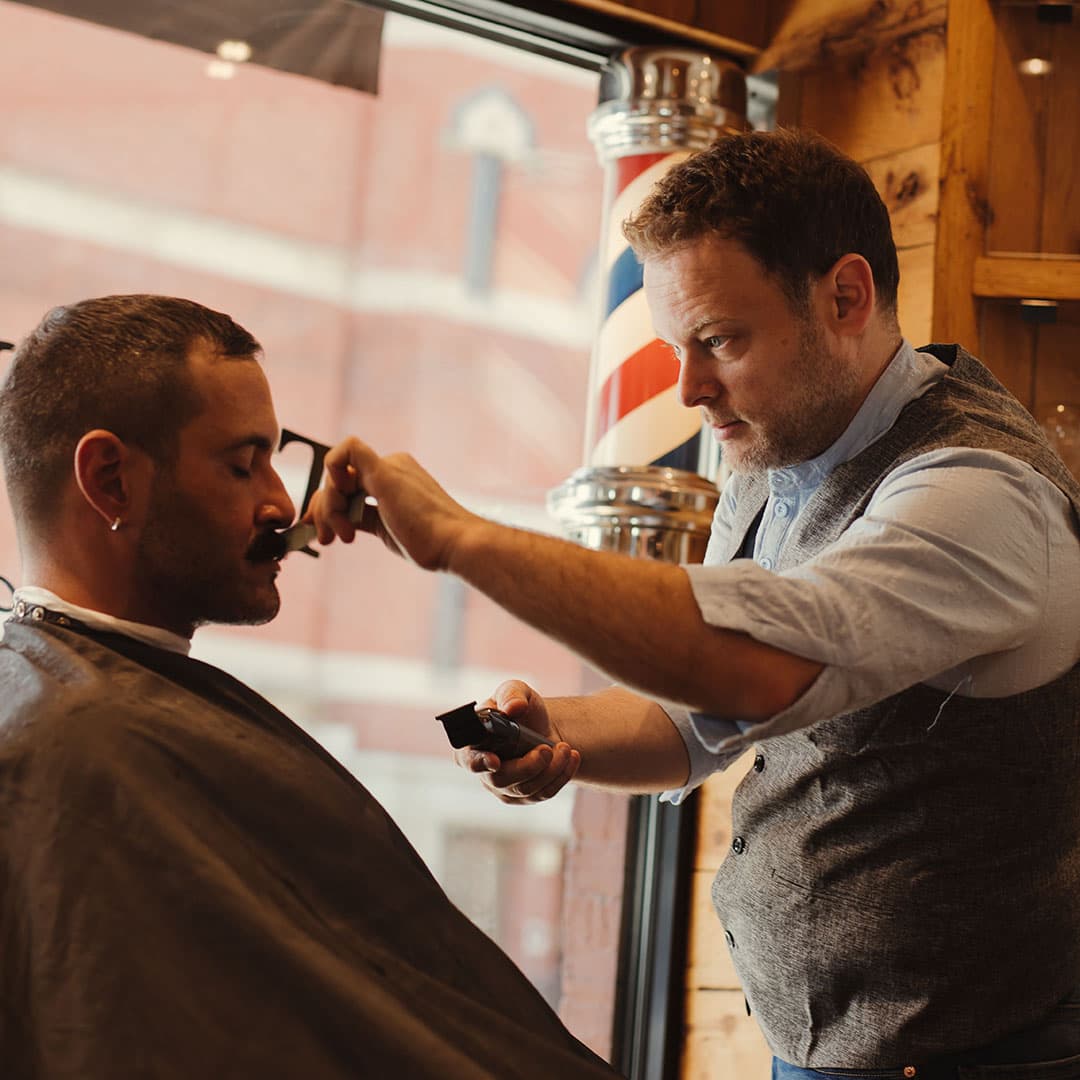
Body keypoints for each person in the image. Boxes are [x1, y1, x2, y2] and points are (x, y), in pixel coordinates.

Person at [309, 129, 1080, 1078]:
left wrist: (463, 539)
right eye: (679, 346)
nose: (689, 390)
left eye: (718, 341)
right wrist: (564, 735)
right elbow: (698, 712)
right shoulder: (775, 446)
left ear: (846, 296)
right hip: (826, 1045)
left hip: (981, 1057)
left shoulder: (979, 493)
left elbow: (754, 669)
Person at [0, 295, 621, 1080]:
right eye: (242, 462)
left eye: (274, 457)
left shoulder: (81, 705)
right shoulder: (81, 750)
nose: (282, 503)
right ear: (110, 480)